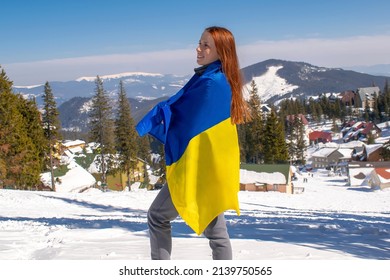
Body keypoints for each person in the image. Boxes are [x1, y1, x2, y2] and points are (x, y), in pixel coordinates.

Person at [136, 26, 251, 260]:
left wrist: (159, 115)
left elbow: (184, 118)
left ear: (222, 51)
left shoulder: (211, 83)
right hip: (214, 165)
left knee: (157, 216)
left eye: (206, 45)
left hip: (197, 166)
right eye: (199, 43)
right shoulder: (222, 79)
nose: (198, 49)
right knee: (217, 233)